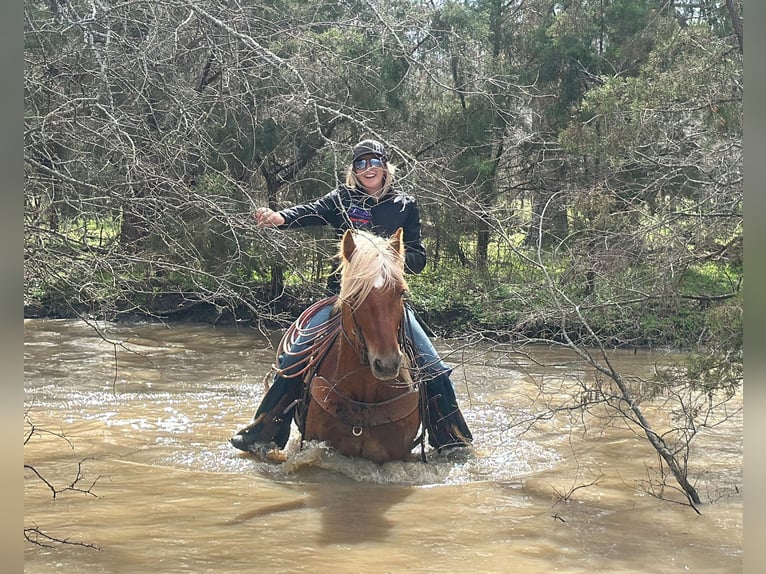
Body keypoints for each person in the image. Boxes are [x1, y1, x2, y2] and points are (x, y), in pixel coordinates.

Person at [230, 138, 472, 454]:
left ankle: (453, 441)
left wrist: (390, 258)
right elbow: (312, 211)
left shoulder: (405, 205)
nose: (368, 169)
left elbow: (419, 258)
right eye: (360, 163)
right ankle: (263, 433)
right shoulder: (342, 199)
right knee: (292, 361)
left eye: (374, 162)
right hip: (341, 301)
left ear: (385, 166)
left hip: (388, 301)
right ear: (354, 171)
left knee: (435, 370)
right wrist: (281, 218)